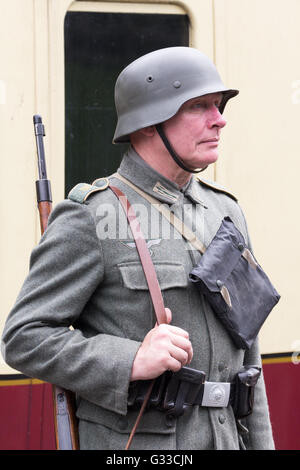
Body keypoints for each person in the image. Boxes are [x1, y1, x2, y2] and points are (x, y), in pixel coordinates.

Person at [1, 47, 274, 450]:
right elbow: (25, 336)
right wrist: (129, 359)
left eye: (217, 106)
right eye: (199, 106)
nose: (219, 119)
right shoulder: (92, 216)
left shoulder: (225, 210)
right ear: (149, 123)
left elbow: (249, 355)